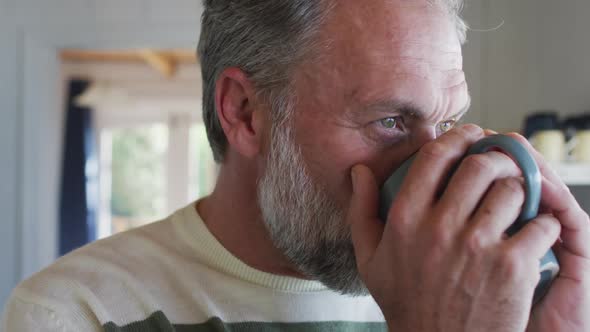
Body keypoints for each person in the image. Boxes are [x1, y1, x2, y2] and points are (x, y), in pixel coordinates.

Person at [3, 0, 589, 331]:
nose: (436, 162)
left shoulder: (492, 298)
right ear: (246, 113)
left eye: (444, 123)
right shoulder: (73, 314)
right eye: (389, 121)